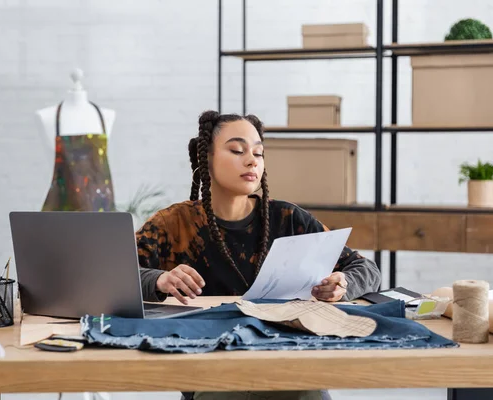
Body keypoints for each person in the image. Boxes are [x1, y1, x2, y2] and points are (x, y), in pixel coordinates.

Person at [136, 110, 381, 400]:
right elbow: (114, 276)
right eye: (237, 150)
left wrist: (342, 283)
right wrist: (160, 279)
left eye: (259, 153)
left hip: (286, 359)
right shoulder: (173, 224)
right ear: (206, 159)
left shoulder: (288, 219)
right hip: (209, 363)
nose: (252, 160)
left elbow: (366, 268)